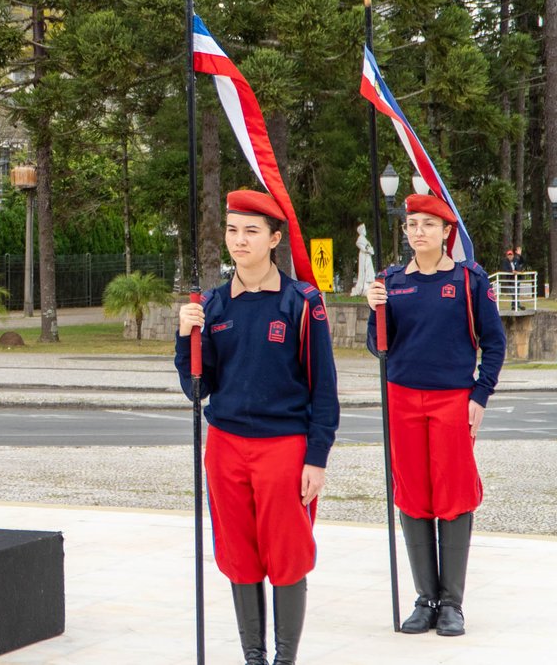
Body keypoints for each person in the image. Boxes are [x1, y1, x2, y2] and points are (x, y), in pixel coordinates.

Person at [176, 189, 339, 665]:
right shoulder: (213, 305)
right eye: (232, 230)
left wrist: (316, 458)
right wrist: (185, 336)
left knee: (287, 554)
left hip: (284, 447)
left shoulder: (301, 303)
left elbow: (324, 389)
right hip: (226, 446)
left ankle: (284, 659)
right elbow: (197, 388)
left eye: (251, 231)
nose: (239, 240)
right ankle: (254, 657)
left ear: (274, 239)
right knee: (238, 554)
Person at [366, 194, 506, 638]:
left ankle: (451, 603)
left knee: (454, 492)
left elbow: (494, 342)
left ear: (447, 232)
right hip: (402, 397)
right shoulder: (391, 281)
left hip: (452, 399)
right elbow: (379, 347)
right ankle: (425, 598)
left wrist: (480, 395)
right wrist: (375, 309)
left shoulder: (469, 280)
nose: (418, 231)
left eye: (428, 224)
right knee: (412, 492)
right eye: (412, 224)